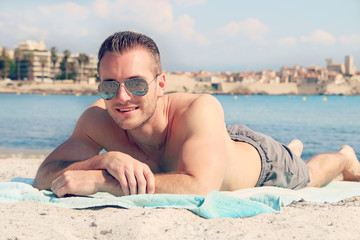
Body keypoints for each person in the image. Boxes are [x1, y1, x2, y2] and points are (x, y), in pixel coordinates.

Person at [33, 31, 360, 197]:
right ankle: (295, 147)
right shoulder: (97, 121)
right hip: (212, 144)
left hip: (264, 165)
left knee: (309, 176)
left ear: (161, 84)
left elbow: (199, 186)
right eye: (109, 86)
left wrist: (101, 181)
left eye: (136, 84)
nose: (121, 97)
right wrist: (103, 161)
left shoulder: (199, 107)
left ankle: (344, 158)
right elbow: (45, 174)